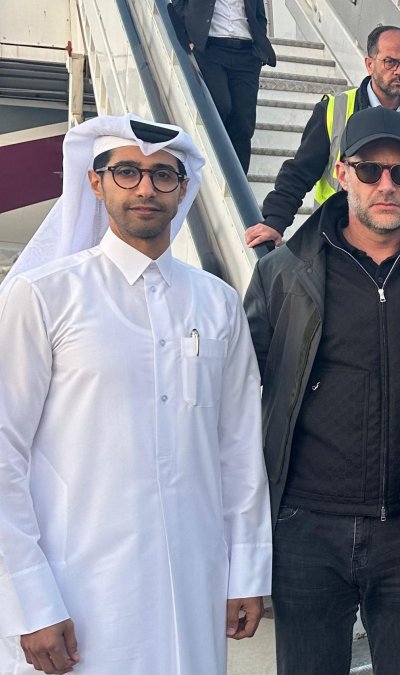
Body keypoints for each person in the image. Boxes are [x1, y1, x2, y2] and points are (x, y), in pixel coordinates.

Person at [0, 114, 272, 674]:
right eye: (127, 172)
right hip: (81, 592)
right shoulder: (44, 296)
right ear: (95, 182)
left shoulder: (218, 303)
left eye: (163, 175)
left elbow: (239, 447)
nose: (145, 188)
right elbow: (5, 453)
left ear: (183, 189)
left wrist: (246, 570)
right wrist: (29, 599)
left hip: (193, 585)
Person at [243, 106, 400, 675]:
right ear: (342, 173)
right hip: (306, 529)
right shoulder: (282, 272)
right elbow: (231, 394)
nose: (386, 185)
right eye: (370, 170)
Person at [246, 25, 400, 248]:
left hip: (398, 240)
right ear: (369, 64)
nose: (399, 71)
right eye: (390, 62)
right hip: (337, 235)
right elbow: (300, 172)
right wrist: (275, 221)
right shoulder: (334, 109)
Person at [170, 0, 276, 173]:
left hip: (247, 54)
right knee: (220, 106)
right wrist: (186, 37)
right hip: (211, 50)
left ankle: (238, 181)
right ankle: (211, 169)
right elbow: (178, 5)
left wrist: (258, 50)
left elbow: (259, 16)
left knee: (243, 123)